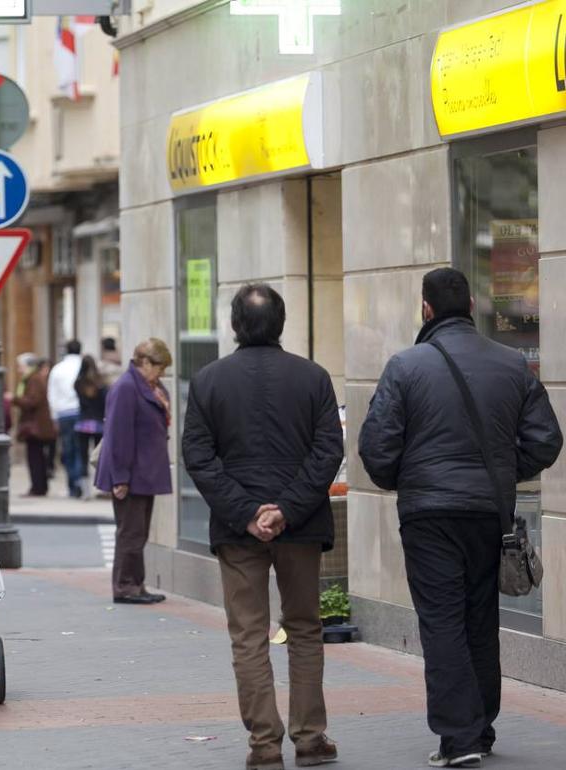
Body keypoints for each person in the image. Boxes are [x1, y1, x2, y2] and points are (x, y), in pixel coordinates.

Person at [358, 268, 561, 768]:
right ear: (471, 304)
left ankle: (460, 736)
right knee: (479, 618)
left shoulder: (405, 367)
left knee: (442, 620)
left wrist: (405, 478)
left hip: (429, 515)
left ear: (425, 309)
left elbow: (376, 449)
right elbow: (546, 440)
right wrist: (500, 473)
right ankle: (480, 725)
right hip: (489, 512)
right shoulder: (512, 363)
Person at [182, 284, 344, 770]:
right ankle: (311, 739)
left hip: (239, 532)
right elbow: (328, 452)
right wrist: (287, 509)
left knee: (249, 635)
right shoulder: (313, 377)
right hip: (301, 527)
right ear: (282, 322)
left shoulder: (209, 381)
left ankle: (265, 745)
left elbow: (198, 456)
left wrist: (248, 513)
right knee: (305, 630)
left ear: (234, 324)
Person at [94, 340, 172, 605]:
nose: (162, 373)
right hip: (130, 474)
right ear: (145, 362)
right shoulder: (127, 387)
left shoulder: (149, 386)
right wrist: (120, 478)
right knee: (130, 532)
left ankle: (136, 584)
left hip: (144, 473)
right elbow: (118, 436)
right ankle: (125, 586)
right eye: (159, 367)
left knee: (139, 533)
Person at [12, 353, 55, 497]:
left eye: (20, 366)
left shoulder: (33, 379)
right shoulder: (33, 378)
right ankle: (39, 487)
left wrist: (14, 399)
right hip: (35, 425)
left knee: (35, 458)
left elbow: (32, 401)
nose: (19, 370)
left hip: (35, 426)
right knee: (37, 457)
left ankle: (38, 488)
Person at [47, 340, 85, 497]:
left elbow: (52, 395)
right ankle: (81, 482)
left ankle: (73, 484)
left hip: (64, 414)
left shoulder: (58, 369)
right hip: (81, 412)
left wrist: (54, 417)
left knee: (68, 450)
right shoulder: (84, 366)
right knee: (81, 450)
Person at [73, 354, 107, 497]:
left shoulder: (78, 383)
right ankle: (102, 487)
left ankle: (85, 490)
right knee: (100, 456)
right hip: (99, 423)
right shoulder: (101, 384)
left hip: (83, 423)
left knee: (82, 456)